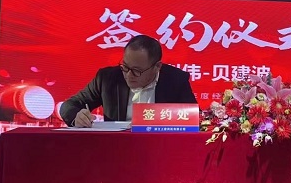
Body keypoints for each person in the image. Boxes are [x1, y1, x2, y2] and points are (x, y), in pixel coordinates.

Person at [59, 34, 197, 127]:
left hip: (160, 148)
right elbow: (69, 105)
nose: (129, 75)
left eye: (137, 71)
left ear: (157, 67)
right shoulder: (107, 78)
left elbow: (193, 118)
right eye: (125, 67)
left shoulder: (176, 80)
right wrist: (77, 116)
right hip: (117, 149)